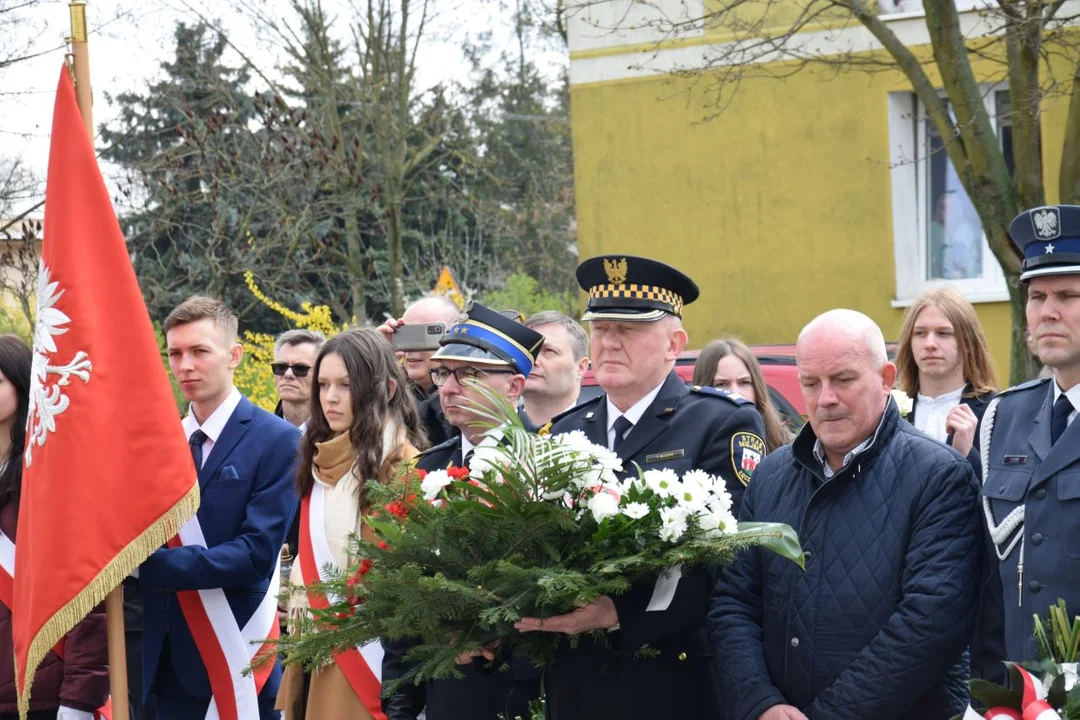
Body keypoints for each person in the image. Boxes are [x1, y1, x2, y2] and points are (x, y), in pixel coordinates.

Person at [514, 255, 768, 720]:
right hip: (579, 683)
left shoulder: (720, 422)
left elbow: (735, 562)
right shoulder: (563, 433)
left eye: (628, 329)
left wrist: (620, 611)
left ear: (675, 344)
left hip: (673, 681)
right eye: (600, 327)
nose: (609, 342)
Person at [709, 309, 982, 720]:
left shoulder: (939, 476)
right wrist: (760, 703)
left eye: (843, 379)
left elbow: (929, 626)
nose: (825, 398)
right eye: (811, 383)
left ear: (887, 379)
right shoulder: (770, 475)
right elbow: (734, 603)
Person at [138, 297, 300, 719]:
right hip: (159, 659)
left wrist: (145, 567)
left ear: (234, 356)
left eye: (199, 351)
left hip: (236, 652)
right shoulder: (157, 444)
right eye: (175, 353)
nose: (185, 365)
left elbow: (255, 553)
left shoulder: (277, 440)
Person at [382, 302, 544, 720]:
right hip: (445, 690)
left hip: (526, 689)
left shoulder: (550, 464)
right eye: (442, 373)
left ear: (515, 386)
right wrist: (399, 699)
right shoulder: (425, 468)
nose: (448, 389)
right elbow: (402, 590)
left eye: (469, 374)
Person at [276, 329, 425, 719]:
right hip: (314, 644)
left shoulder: (405, 467)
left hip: (368, 654)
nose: (330, 397)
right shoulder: (319, 461)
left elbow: (396, 580)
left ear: (387, 389)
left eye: (346, 384)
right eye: (323, 384)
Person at [979, 205, 1080, 667]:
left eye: (1067, 295)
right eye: (1037, 297)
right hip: (1015, 696)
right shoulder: (1004, 417)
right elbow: (979, 574)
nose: (1048, 313)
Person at [0, 335, 109, 720]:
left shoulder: (51, 477)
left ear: (22, 384)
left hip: (38, 689)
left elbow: (85, 594)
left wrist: (79, 700)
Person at [895, 287, 997, 460]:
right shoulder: (888, 410)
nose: (930, 344)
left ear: (968, 342)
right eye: (920, 333)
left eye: (943, 333)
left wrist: (965, 455)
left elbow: (1004, 484)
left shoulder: (995, 411)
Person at [379, 297, 462, 446]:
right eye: (406, 335)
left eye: (423, 336)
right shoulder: (389, 388)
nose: (411, 347)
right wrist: (373, 354)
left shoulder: (471, 390)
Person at [692, 338, 794, 451]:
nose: (735, 393)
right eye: (721, 384)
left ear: (757, 388)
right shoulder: (685, 445)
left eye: (744, 382)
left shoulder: (790, 449)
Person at [521, 311, 590, 427]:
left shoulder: (602, 435)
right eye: (527, 351)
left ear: (581, 367)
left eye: (549, 351)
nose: (533, 361)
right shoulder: (493, 432)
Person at [272, 329, 325, 431]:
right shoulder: (257, 434)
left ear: (321, 374)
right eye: (281, 367)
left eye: (300, 368)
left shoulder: (340, 438)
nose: (288, 374)